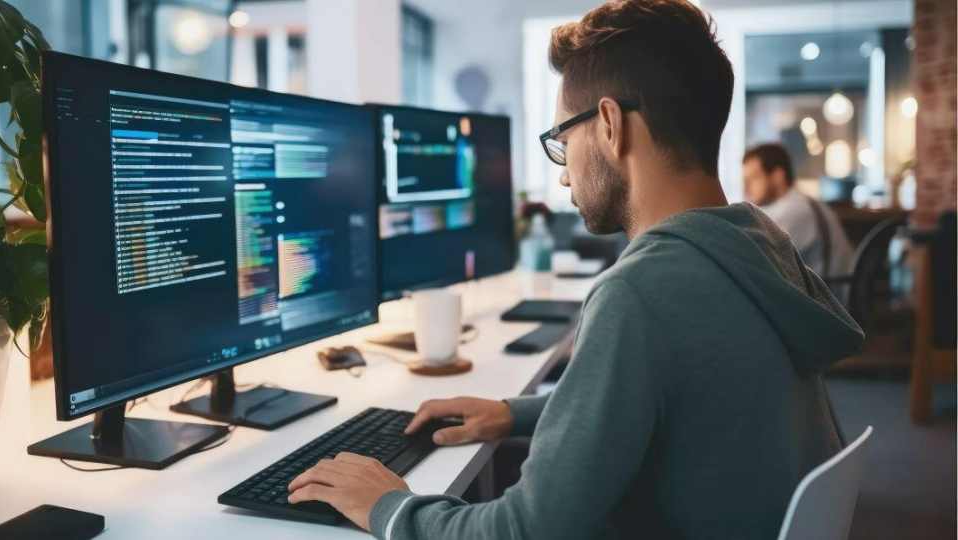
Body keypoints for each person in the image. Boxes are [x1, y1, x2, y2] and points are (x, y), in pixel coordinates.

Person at [286, 1, 865, 538]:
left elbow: (525, 531)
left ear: (609, 126)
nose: (563, 173)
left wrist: (388, 507)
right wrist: (516, 413)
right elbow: (680, 394)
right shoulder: (758, 243)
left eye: (563, 138)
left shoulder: (642, 292)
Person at [743, 142, 855, 278]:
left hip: (826, 295)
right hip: (818, 290)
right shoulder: (797, 203)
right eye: (745, 180)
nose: (746, 187)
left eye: (754, 178)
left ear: (778, 176)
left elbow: (759, 262)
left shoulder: (795, 211)